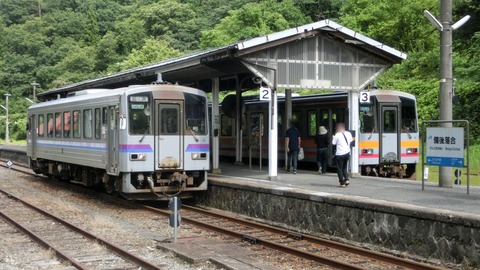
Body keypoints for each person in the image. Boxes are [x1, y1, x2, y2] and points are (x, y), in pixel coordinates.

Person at [332, 123, 353, 187]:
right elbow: (351, 141)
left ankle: (342, 183)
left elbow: (333, 143)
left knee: (339, 169)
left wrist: (333, 137)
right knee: (344, 167)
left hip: (340, 154)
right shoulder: (348, 133)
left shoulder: (337, 135)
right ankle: (346, 179)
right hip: (347, 153)